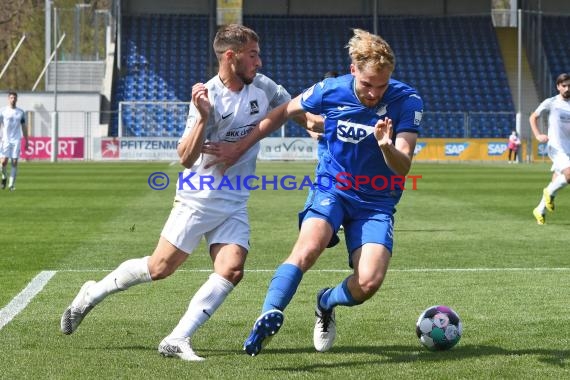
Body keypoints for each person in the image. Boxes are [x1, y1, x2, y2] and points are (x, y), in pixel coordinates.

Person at [60, 24, 312, 361]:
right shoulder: (207, 97)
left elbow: (297, 113)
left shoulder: (265, 88)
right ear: (231, 56)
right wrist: (202, 118)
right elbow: (185, 157)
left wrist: (330, 124)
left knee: (232, 269)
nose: (260, 62)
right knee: (160, 268)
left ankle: (177, 338)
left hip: (235, 199)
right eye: (253, 55)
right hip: (199, 196)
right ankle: (91, 293)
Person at [203, 28, 422, 355]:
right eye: (367, 84)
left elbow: (402, 166)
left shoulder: (407, 101)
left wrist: (386, 145)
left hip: (377, 200)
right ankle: (269, 312)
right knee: (308, 248)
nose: (375, 93)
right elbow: (284, 111)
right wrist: (241, 147)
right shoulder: (330, 90)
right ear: (353, 71)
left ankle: (325, 301)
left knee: (368, 283)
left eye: (382, 86)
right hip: (332, 187)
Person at [531, 72, 570, 225]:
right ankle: (549, 193)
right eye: (564, 86)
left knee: (557, 179)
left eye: (569, 86)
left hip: (569, 147)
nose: (567, 88)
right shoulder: (551, 102)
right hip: (557, 147)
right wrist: (538, 135)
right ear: (558, 87)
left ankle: (539, 210)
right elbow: (533, 116)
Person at [0, 91, 28, 191]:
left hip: (16, 140)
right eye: (11, 98)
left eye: (14, 98)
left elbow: (24, 127)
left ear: (17, 99)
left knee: (14, 161)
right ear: (8, 99)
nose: (13, 99)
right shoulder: (2, 111)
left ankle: (11, 185)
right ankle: (4, 177)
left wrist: (26, 140)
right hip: (5, 140)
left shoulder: (20, 112)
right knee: (3, 162)